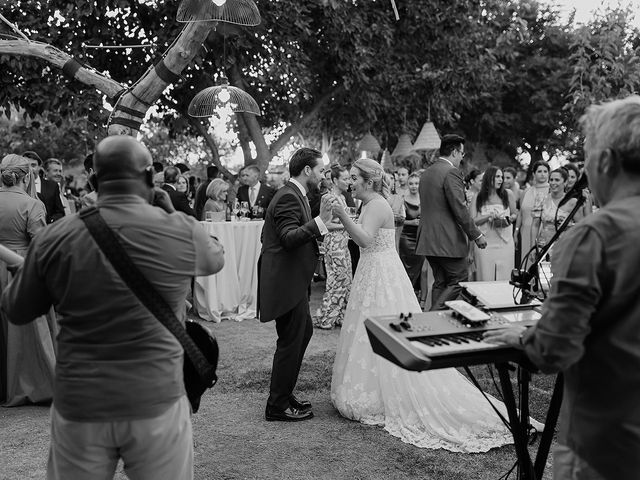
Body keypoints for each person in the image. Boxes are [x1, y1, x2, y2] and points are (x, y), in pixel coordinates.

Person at [0, 136, 225, 480]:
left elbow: (16, 309)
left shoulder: (57, 237)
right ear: (150, 180)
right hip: (156, 398)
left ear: (92, 182)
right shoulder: (178, 230)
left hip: (81, 401)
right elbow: (215, 257)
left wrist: (25, 269)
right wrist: (169, 210)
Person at [483, 95, 640, 480]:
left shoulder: (595, 236)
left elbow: (553, 349)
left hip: (607, 442)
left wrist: (522, 338)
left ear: (604, 162)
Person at [328, 158, 515, 452]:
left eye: (354, 177)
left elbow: (364, 239)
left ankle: (382, 392)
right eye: (349, 177)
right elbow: (360, 232)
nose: (350, 182)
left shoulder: (377, 204)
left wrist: (342, 214)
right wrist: (336, 221)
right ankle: (369, 386)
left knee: (383, 326)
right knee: (366, 328)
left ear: (369, 180)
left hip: (381, 275)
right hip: (371, 271)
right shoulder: (368, 205)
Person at [259, 147, 333, 422]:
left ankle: (283, 394)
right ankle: (276, 405)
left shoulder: (296, 195)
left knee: (302, 334)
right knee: (292, 339)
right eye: (321, 170)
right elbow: (289, 238)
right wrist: (320, 222)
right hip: (285, 281)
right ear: (307, 171)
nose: (324, 175)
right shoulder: (288, 197)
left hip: (293, 279)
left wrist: (318, 229)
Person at [0, 154, 56, 406]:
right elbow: (40, 244)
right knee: (26, 329)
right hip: (19, 266)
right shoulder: (32, 205)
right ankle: (33, 382)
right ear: (26, 176)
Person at [415, 134, 487, 311]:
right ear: (455, 152)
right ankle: (433, 315)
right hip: (447, 240)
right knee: (459, 280)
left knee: (440, 281)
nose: (462, 158)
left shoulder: (426, 173)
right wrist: (476, 235)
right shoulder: (451, 172)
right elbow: (459, 209)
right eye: (462, 154)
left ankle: (436, 324)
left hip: (428, 239)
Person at [314, 166, 352, 330]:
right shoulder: (328, 198)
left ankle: (339, 316)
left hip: (343, 242)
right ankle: (326, 318)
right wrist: (348, 224)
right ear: (335, 180)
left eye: (349, 178)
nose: (349, 182)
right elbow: (326, 224)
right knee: (337, 280)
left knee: (346, 279)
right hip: (334, 243)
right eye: (345, 179)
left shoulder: (342, 197)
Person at [471, 166, 517, 281]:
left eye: (501, 177)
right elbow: (472, 221)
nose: (501, 180)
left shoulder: (508, 194)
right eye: (497, 177)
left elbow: (515, 213)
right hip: (485, 243)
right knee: (485, 277)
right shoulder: (478, 197)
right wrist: (488, 216)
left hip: (505, 243)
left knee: (505, 278)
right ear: (489, 178)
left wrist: (509, 219)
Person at [530, 168, 579, 261]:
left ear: (565, 182)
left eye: (557, 180)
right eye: (551, 180)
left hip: (564, 249)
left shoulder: (572, 202)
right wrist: (533, 247)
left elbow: (581, 226)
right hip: (543, 249)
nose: (553, 183)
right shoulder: (542, 199)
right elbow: (535, 225)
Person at [516, 160, 549, 265]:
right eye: (539, 171)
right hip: (525, 232)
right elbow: (520, 214)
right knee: (527, 262)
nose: (542, 174)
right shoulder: (526, 192)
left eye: (545, 171)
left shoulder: (552, 191)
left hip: (543, 233)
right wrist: (516, 232)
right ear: (534, 174)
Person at [22, 151, 65, 224]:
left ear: (39, 167)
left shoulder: (52, 186)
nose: (30, 169)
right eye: (26, 165)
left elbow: (60, 212)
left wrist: (49, 222)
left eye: (33, 165)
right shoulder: (17, 186)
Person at [398, 172, 424, 295]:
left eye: (417, 183)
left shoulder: (425, 199)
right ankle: (406, 293)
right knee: (406, 268)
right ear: (408, 185)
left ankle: (418, 294)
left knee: (420, 268)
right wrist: (411, 222)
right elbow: (398, 221)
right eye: (411, 183)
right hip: (407, 239)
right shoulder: (403, 200)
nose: (414, 186)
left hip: (421, 238)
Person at [386, 173, 406, 251]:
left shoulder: (398, 199)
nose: (389, 180)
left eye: (391, 178)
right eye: (386, 177)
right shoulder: (374, 198)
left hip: (394, 235)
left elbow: (402, 218)